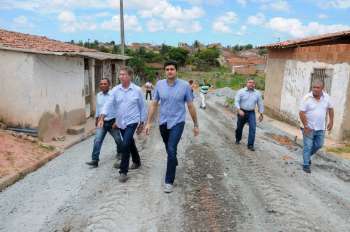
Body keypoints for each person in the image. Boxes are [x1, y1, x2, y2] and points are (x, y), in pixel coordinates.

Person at [145, 60, 199, 193]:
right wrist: (149, 122)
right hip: (163, 122)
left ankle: (169, 181)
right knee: (169, 149)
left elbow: (190, 105)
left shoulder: (185, 86)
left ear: (176, 71)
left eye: (172, 69)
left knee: (171, 147)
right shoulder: (159, 85)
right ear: (165, 71)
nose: (170, 71)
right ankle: (173, 160)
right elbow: (154, 103)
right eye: (167, 69)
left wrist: (196, 124)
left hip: (177, 122)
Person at [99, 67, 147, 182]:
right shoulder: (115, 90)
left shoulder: (137, 90)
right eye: (120, 74)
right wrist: (102, 117)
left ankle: (123, 171)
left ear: (130, 76)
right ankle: (136, 161)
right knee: (129, 142)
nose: (121, 76)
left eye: (124, 74)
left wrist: (142, 122)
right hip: (121, 122)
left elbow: (142, 107)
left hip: (132, 121)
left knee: (125, 144)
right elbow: (108, 104)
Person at [86, 78, 122, 168]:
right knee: (97, 140)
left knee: (118, 139)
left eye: (105, 84)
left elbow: (119, 109)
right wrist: (96, 119)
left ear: (109, 85)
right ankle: (95, 160)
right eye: (101, 84)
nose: (102, 85)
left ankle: (120, 152)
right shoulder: (98, 95)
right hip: (101, 122)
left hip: (112, 121)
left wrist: (117, 121)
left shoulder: (114, 95)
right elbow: (98, 108)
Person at [299, 80, 334, 173]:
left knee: (319, 144)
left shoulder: (327, 97)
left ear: (322, 88)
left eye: (317, 87)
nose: (315, 89)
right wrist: (306, 125)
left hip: (320, 127)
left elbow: (330, 109)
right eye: (313, 87)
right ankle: (306, 164)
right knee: (308, 145)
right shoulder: (306, 98)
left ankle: (306, 156)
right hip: (308, 127)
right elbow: (301, 112)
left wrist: (331, 121)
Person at [234, 79, 264, 151]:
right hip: (242, 111)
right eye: (250, 82)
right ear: (246, 83)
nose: (251, 84)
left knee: (253, 128)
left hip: (251, 113)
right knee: (239, 127)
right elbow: (236, 101)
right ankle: (238, 139)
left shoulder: (257, 93)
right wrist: (239, 110)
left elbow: (260, 103)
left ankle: (250, 145)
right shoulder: (241, 91)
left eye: (253, 83)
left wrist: (261, 114)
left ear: (254, 85)